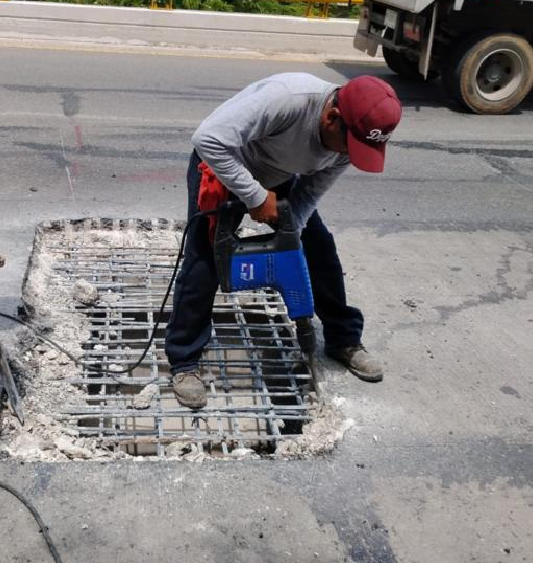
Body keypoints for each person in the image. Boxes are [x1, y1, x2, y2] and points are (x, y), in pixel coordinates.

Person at [164, 74, 403, 409]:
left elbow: (311, 192)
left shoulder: (355, 140)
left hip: (278, 178)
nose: (351, 155)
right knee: (205, 260)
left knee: (318, 249)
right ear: (331, 118)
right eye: (350, 146)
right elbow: (208, 138)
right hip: (224, 166)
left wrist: (292, 235)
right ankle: (184, 360)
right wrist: (255, 196)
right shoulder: (288, 99)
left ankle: (343, 339)